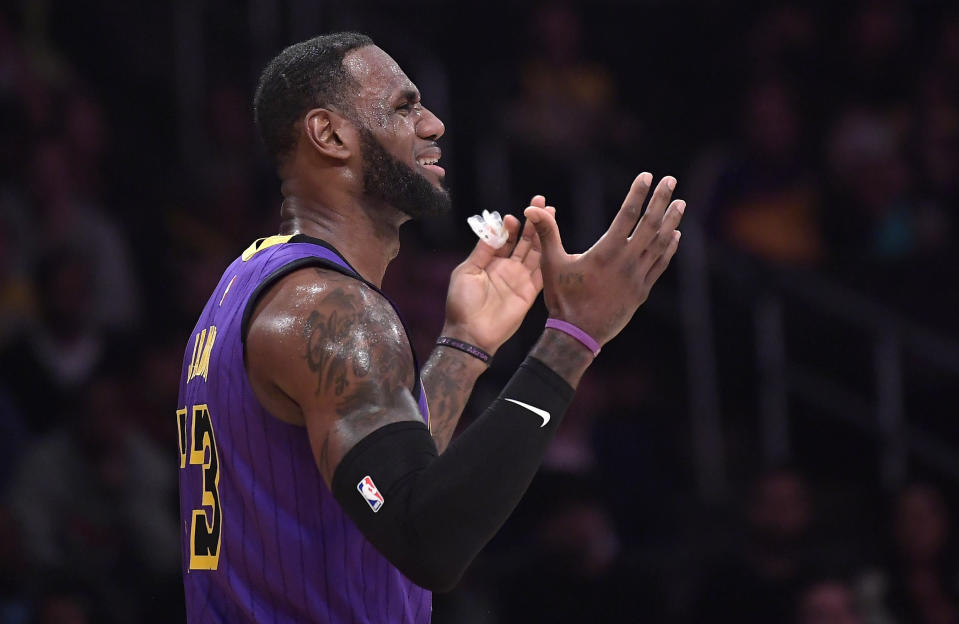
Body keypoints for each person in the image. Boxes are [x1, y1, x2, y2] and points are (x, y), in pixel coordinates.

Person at [176, 32, 685, 623]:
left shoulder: (247, 285)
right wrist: (571, 339)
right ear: (330, 134)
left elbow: (391, 482)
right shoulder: (334, 313)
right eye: (403, 106)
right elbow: (427, 543)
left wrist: (464, 346)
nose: (435, 123)